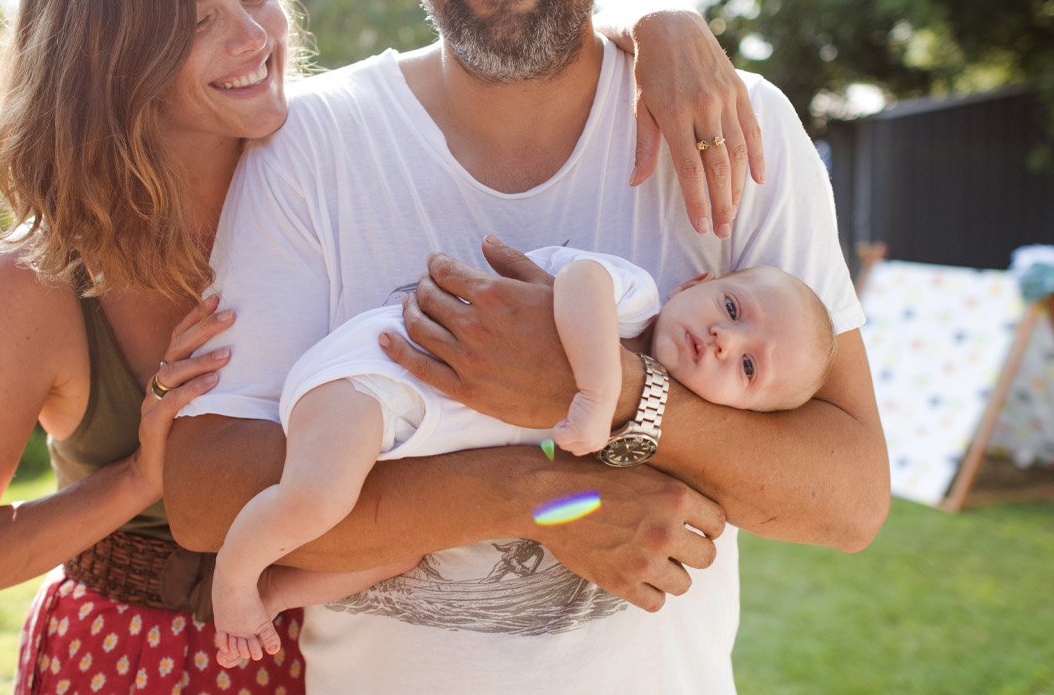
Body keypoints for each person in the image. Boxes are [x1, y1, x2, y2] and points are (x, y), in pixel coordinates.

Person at [166, 0, 889, 695]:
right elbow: (207, 496)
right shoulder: (310, 146)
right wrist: (532, 490)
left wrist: (613, 393)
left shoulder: (735, 128)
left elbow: (850, 499)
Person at [0, 0, 761, 694]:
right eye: (195, 20)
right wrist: (138, 482)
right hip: (136, 657)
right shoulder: (40, 281)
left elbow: (508, 57)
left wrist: (661, 28)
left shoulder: (330, 161)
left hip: (319, 648)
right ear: (106, 51)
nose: (254, 37)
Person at [209, 245, 840, 667]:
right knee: (319, 496)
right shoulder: (635, 300)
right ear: (698, 283)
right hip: (374, 378)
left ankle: (274, 595)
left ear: (742, 412)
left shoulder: (664, 432)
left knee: (396, 554)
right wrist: (600, 390)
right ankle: (233, 581)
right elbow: (580, 284)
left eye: (750, 366)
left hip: (411, 434)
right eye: (731, 308)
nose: (725, 340)